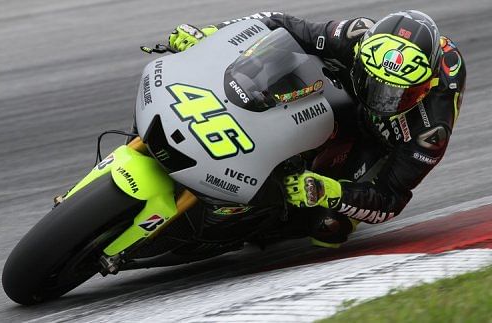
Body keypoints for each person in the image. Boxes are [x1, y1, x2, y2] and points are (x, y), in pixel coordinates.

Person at [167, 10, 466, 247]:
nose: (382, 101)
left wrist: (329, 191)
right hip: (344, 90)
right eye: (375, 84)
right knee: (279, 63)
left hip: (382, 141)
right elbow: (278, 23)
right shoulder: (355, 35)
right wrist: (211, 35)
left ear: (424, 89)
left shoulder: (431, 129)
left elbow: (391, 200)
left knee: (328, 227)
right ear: (362, 52)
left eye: (398, 94)